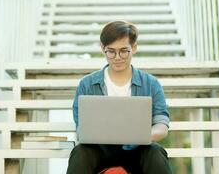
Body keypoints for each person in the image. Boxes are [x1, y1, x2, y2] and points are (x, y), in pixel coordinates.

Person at [66, 20, 172, 174]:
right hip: (99, 152)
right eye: (111, 51)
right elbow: (82, 128)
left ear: (134, 48)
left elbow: (161, 126)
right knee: (80, 152)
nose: (117, 57)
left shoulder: (151, 84)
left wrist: (140, 137)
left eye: (123, 51)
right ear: (103, 48)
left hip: (137, 152)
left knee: (155, 152)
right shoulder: (87, 85)